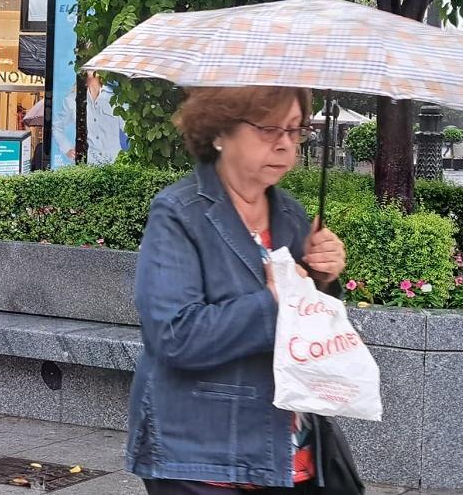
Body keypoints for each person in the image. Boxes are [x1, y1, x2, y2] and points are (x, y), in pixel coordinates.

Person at [128, 86, 348, 494]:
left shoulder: (291, 214)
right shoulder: (179, 214)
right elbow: (174, 335)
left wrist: (325, 278)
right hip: (202, 457)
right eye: (269, 130)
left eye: (295, 130)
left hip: (288, 451)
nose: (285, 145)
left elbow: (313, 332)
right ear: (220, 131)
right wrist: (275, 302)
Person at [55, 71, 125, 165]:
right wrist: (66, 148)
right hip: (86, 167)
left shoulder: (115, 97)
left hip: (114, 166)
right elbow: (56, 126)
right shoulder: (71, 100)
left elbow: (129, 129)